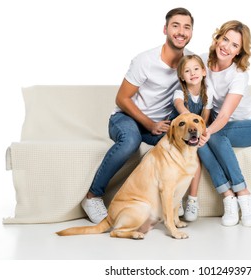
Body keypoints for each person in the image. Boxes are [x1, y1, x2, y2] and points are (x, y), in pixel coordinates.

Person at [81, 7, 194, 224]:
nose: (181, 31)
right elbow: (121, 98)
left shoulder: (189, 62)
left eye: (186, 27)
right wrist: (149, 124)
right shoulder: (145, 60)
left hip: (160, 123)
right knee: (131, 141)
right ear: (165, 29)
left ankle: (174, 199)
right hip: (126, 117)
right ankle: (93, 196)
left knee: (183, 141)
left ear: (191, 33)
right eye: (175, 26)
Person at [198, 20, 251, 227]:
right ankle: (227, 196)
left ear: (239, 52)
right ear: (217, 38)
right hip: (220, 124)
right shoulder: (201, 62)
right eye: (225, 39)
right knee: (196, 143)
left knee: (214, 134)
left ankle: (244, 194)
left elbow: (225, 115)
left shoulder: (239, 74)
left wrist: (207, 131)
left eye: (234, 45)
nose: (226, 47)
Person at [169, 54, 213, 222]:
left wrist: (200, 133)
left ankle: (192, 200)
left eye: (196, 69)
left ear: (203, 71)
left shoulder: (208, 93)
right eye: (187, 71)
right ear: (181, 76)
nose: (192, 73)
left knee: (196, 159)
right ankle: (177, 198)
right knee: (174, 158)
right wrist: (191, 122)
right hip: (180, 134)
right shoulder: (179, 93)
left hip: (195, 134)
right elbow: (180, 107)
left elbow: (205, 116)